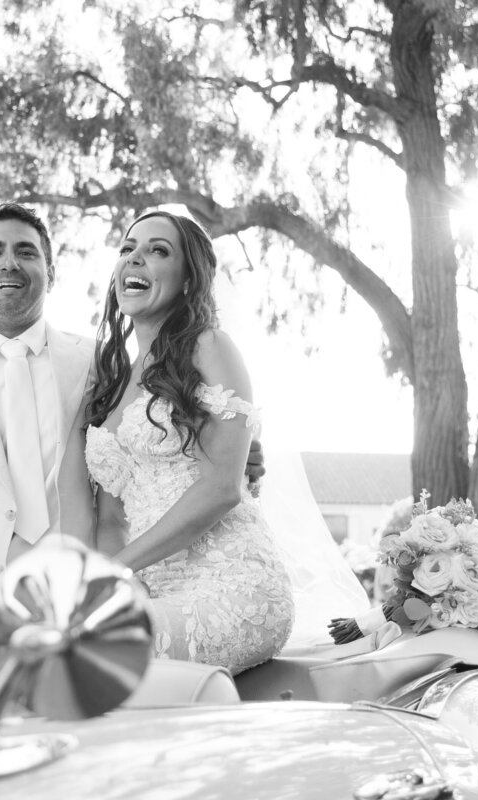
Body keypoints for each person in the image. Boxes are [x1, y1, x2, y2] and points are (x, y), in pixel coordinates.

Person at [0, 203, 265, 649]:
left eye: (26, 252)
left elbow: (171, 444)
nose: (9, 263)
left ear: (50, 273)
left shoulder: (105, 365)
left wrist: (239, 451)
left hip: (79, 602)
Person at [81, 210, 294, 674]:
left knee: (85, 655)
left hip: (231, 584)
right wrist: (121, 584)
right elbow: (111, 516)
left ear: (186, 279)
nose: (135, 258)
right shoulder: (110, 380)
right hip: (148, 589)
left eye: (158, 250)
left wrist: (115, 569)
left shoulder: (211, 347)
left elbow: (223, 487)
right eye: (127, 249)